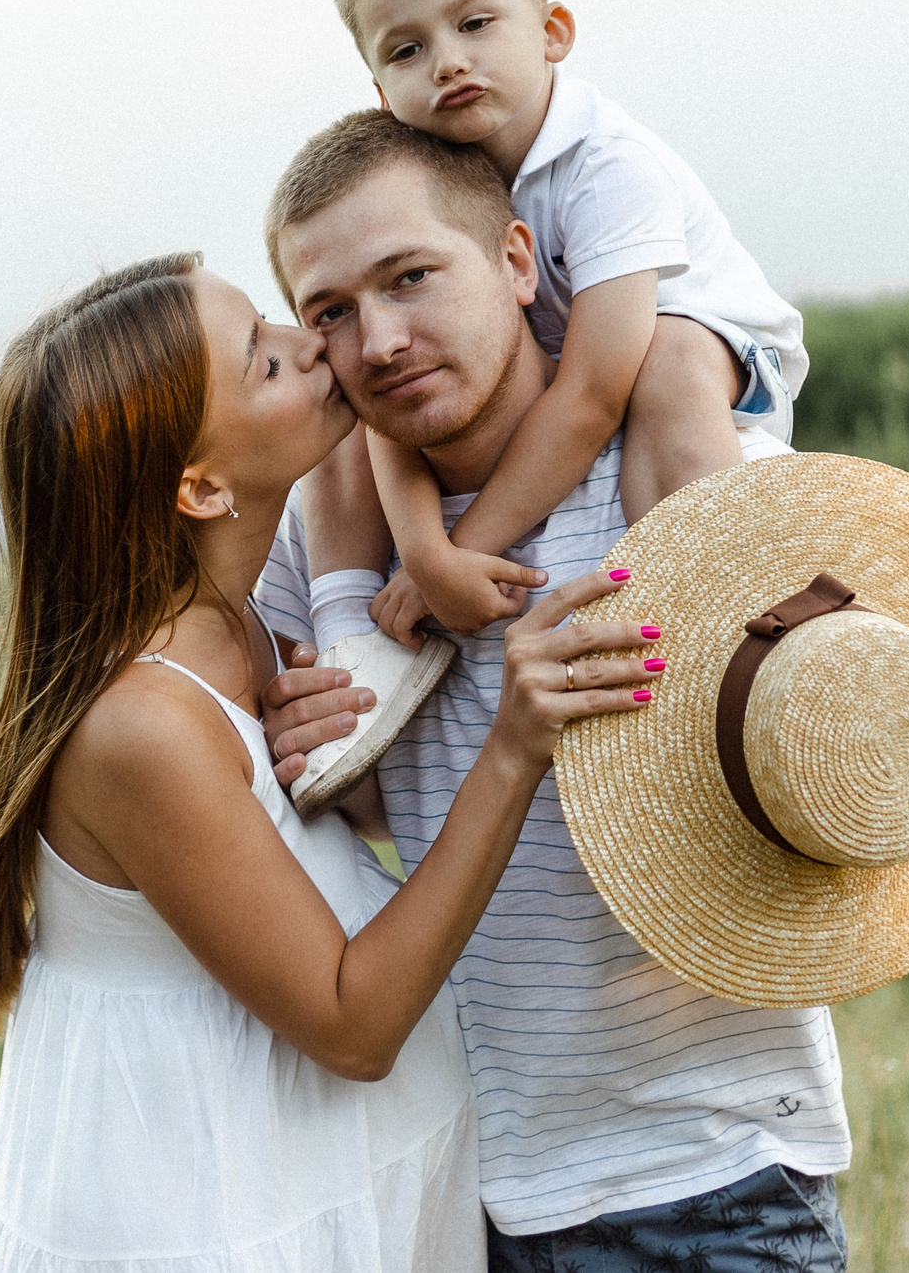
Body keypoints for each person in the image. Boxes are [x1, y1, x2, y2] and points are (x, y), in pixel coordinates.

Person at [0, 252, 665, 1273]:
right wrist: (511, 747)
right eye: (266, 361)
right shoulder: (141, 726)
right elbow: (351, 1024)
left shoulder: (237, 625)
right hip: (212, 1219)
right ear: (200, 487)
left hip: (316, 1188)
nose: (310, 343)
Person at [251, 122, 851, 1271]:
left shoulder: (692, 481)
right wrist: (310, 752)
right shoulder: (323, 557)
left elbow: (845, 770)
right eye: (328, 311)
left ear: (520, 263)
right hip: (462, 1193)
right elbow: (354, 814)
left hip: (709, 1177)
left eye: (411, 277)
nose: (377, 340)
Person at [291, 0, 808, 814]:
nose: (448, 62)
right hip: (572, 356)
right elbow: (390, 423)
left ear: (552, 32)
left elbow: (592, 393)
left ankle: (722, 625)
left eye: (475, 23)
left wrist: (470, 541)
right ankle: (360, 651)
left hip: (715, 348)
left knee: (670, 367)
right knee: (367, 376)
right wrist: (424, 555)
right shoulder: (438, 182)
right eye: (408, 49)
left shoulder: (608, 167)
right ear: (377, 86)